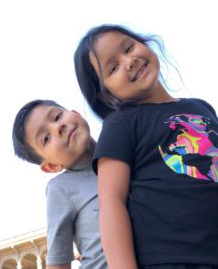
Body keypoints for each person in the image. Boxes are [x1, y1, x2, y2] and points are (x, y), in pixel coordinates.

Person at [74, 24, 218, 269]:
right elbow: (112, 201)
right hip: (175, 260)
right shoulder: (120, 124)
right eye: (113, 67)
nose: (128, 61)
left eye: (129, 47)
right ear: (105, 93)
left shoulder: (201, 107)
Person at [12, 99, 107, 269]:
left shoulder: (122, 151)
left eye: (57, 117)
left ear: (75, 113)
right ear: (51, 166)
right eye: (46, 138)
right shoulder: (61, 189)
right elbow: (58, 264)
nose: (58, 127)